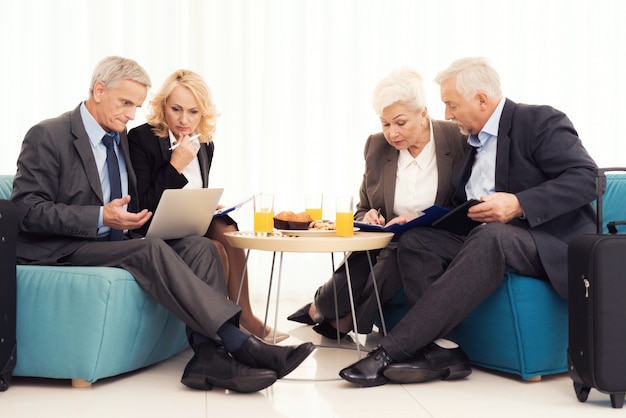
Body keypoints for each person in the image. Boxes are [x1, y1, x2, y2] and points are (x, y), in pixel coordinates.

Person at [10, 56, 313, 393]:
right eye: (125, 103)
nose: (131, 114)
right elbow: (24, 210)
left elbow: (138, 201)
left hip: (117, 240)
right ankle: (239, 341)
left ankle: (209, 358)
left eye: (136, 106)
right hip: (65, 248)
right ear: (98, 90)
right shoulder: (49, 135)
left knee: (201, 248)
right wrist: (100, 216)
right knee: (150, 248)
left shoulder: (119, 136)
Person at [339, 56, 598, 387]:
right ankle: (446, 351)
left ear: (481, 99)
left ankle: (391, 351)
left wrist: (519, 204)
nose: (446, 114)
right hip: (487, 238)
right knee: (417, 240)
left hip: (546, 242)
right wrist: (420, 219)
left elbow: (589, 179)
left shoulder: (537, 121)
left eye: (451, 104)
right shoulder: (473, 144)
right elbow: (467, 206)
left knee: (492, 237)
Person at [288, 68, 468, 339]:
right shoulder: (376, 147)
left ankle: (347, 321)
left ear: (423, 114)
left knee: (403, 249)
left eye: (400, 122)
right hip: (379, 243)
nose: (392, 133)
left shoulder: (457, 139)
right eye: (385, 124)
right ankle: (317, 308)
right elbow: (361, 207)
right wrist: (369, 215)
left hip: (423, 243)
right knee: (329, 301)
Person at [127, 69, 288, 343]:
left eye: (193, 112)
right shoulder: (141, 139)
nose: (183, 120)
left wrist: (205, 206)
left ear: (203, 114)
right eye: (175, 109)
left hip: (190, 223)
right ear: (163, 105)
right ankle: (225, 328)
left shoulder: (204, 145)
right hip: (155, 229)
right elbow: (143, 205)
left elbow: (193, 191)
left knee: (227, 228)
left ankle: (246, 317)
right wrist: (175, 165)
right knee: (214, 250)